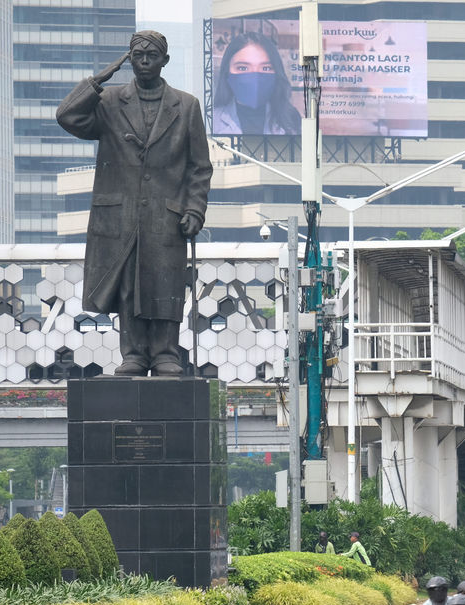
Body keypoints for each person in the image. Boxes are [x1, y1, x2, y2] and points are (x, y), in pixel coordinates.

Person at [56, 31, 212, 376]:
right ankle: (135, 354)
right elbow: (67, 116)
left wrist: (194, 209)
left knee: (165, 283)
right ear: (128, 60)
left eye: (151, 55)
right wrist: (97, 81)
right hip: (120, 215)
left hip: (166, 215)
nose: (144, 61)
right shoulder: (109, 101)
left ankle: (165, 353)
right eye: (137, 55)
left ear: (164, 61)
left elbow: (199, 166)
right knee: (128, 286)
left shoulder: (186, 106)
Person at [212, 31, 302, 135]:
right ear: (227, 72)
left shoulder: (291, 117)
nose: (254, 76)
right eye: (242, 67)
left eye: (266, 68)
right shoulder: (210, 120)